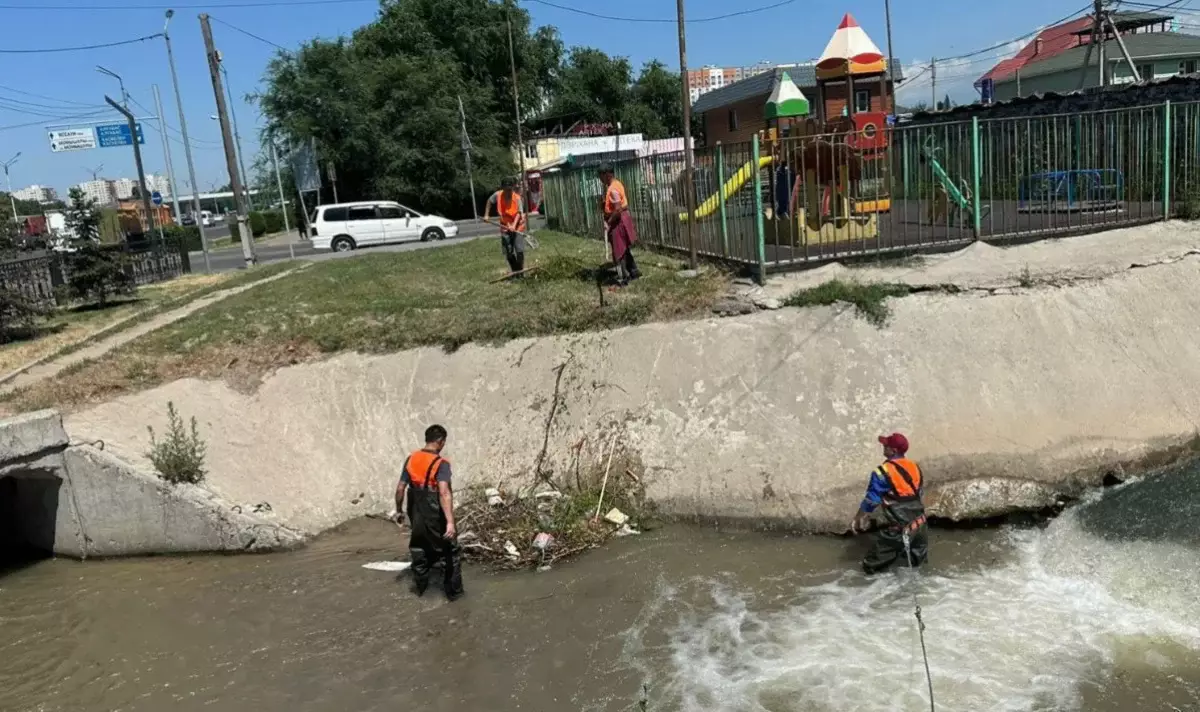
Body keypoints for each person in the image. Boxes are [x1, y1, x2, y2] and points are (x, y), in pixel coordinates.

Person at [394, 424, 464, 600]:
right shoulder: (441, 464)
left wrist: (399, 511)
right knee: (450, 551)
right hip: (434, 511)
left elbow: (401, 488)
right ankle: (455, 597)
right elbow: (444, 492)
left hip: (415, 509)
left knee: (419, 548)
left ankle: (421, 591)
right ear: (440, 441)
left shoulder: (411, 459)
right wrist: (449, 522)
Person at [851, 432, 929, 575]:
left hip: (900, 530)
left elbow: (872, 500)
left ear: (893, 451)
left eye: (886, 445)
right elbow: (918, 494)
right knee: (916, 568)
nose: (883, 446)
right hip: (921, 526)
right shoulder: (914, 467)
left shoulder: (882, 472)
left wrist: (859, 517)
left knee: (870, 567)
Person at [598, 164, 639, 285]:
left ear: (607, 174)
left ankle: (623, 277)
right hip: (621, 218)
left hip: (618, 221)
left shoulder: (613, 189)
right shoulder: (616, 184)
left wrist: (609, 223)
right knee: (624, 249)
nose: (600, 179)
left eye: (600, 176)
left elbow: (617, 209)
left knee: (619, 251)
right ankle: (634, 271)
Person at [483, 177, 527, 277]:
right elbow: (489, 201)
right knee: (509, 252)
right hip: (504, 226)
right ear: (502, 188)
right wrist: (486, 214)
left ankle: (521, 272)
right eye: (506, 189)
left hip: (517, 226)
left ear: (513, 188)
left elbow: (519, 213)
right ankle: (516, 271)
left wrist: (513, 225)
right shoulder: (497, 195)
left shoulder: (517, 198)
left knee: (519, 251)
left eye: (510, 189)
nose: (508, 192)